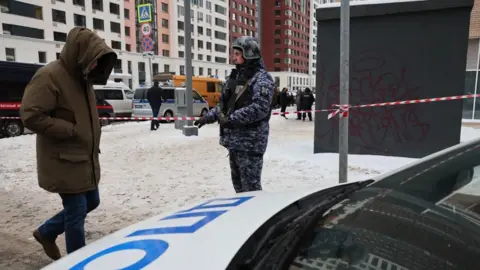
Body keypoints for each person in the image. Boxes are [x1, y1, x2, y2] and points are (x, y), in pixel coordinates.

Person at [20, 27, 117, 260]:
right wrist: (70, 130)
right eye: (93, 60)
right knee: (76, 211)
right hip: (62, 158)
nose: (95, 66)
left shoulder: (84, 79)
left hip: (84, 157)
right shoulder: (49, 76)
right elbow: (31, 115)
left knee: (92, 201)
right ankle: (78, 263)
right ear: (80, 54)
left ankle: (47, 232)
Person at [193, 36, 275, 193]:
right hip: (235, 143)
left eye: (238, 54)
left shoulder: (262, 79)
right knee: (239, 187)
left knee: (251, 189)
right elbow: (225, 106)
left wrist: (231, 119)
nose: (234, 57)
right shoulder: (235, 78)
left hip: (251, 144)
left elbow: (259, 108)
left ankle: (255, 217)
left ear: (249, 54)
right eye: (234, 53)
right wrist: (208, 117)